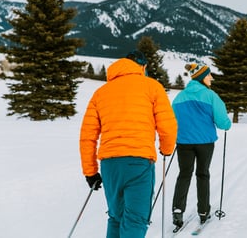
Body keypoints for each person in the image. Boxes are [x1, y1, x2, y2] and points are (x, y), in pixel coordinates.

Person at [79, 50, 177, 238]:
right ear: (143, 67)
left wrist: (90, 172)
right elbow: (168, 126)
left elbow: (87, 135)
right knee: (135, 220)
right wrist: (166, 149)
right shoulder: (152, 87)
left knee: (116, 217)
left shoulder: (101, 92)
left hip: (110, 165)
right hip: (138, 162)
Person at [171, 59, 231, 228]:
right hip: (205, 142)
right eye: (208, 75)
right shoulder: (210, 95)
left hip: (183, 142)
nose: (211, 77)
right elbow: (223, 123)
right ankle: (203, 212)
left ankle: (177, 211)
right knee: (202, 174)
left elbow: (171, 120)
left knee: (184, 174)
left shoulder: (179, 97)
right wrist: (227, 124)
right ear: (202, 77)